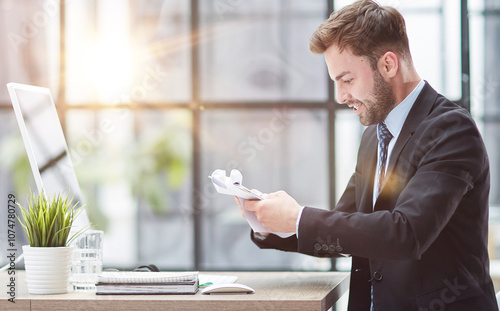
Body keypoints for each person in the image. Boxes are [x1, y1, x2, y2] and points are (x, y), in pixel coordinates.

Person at [235, 1, 498, 310]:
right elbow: (348, 229)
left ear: (388, 65)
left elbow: (406, 233)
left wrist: (299, 217)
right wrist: (271, 225)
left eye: (347, 80)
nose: (340, 96)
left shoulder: (451, 131)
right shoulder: (374, 135)